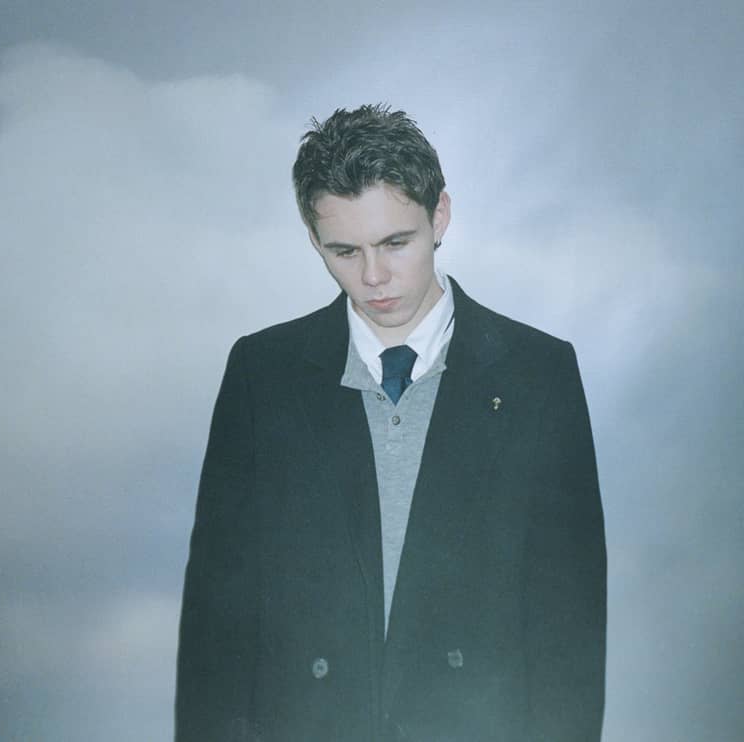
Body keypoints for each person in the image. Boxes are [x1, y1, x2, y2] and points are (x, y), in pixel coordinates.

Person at [176, 104, 606, 741]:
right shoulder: (261, 375)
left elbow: (568, 629)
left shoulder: (539, 376)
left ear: (440, 216)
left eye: (394, 243)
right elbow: (218, 624)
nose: (373, 277)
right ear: (313, 238)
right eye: (344, 250)